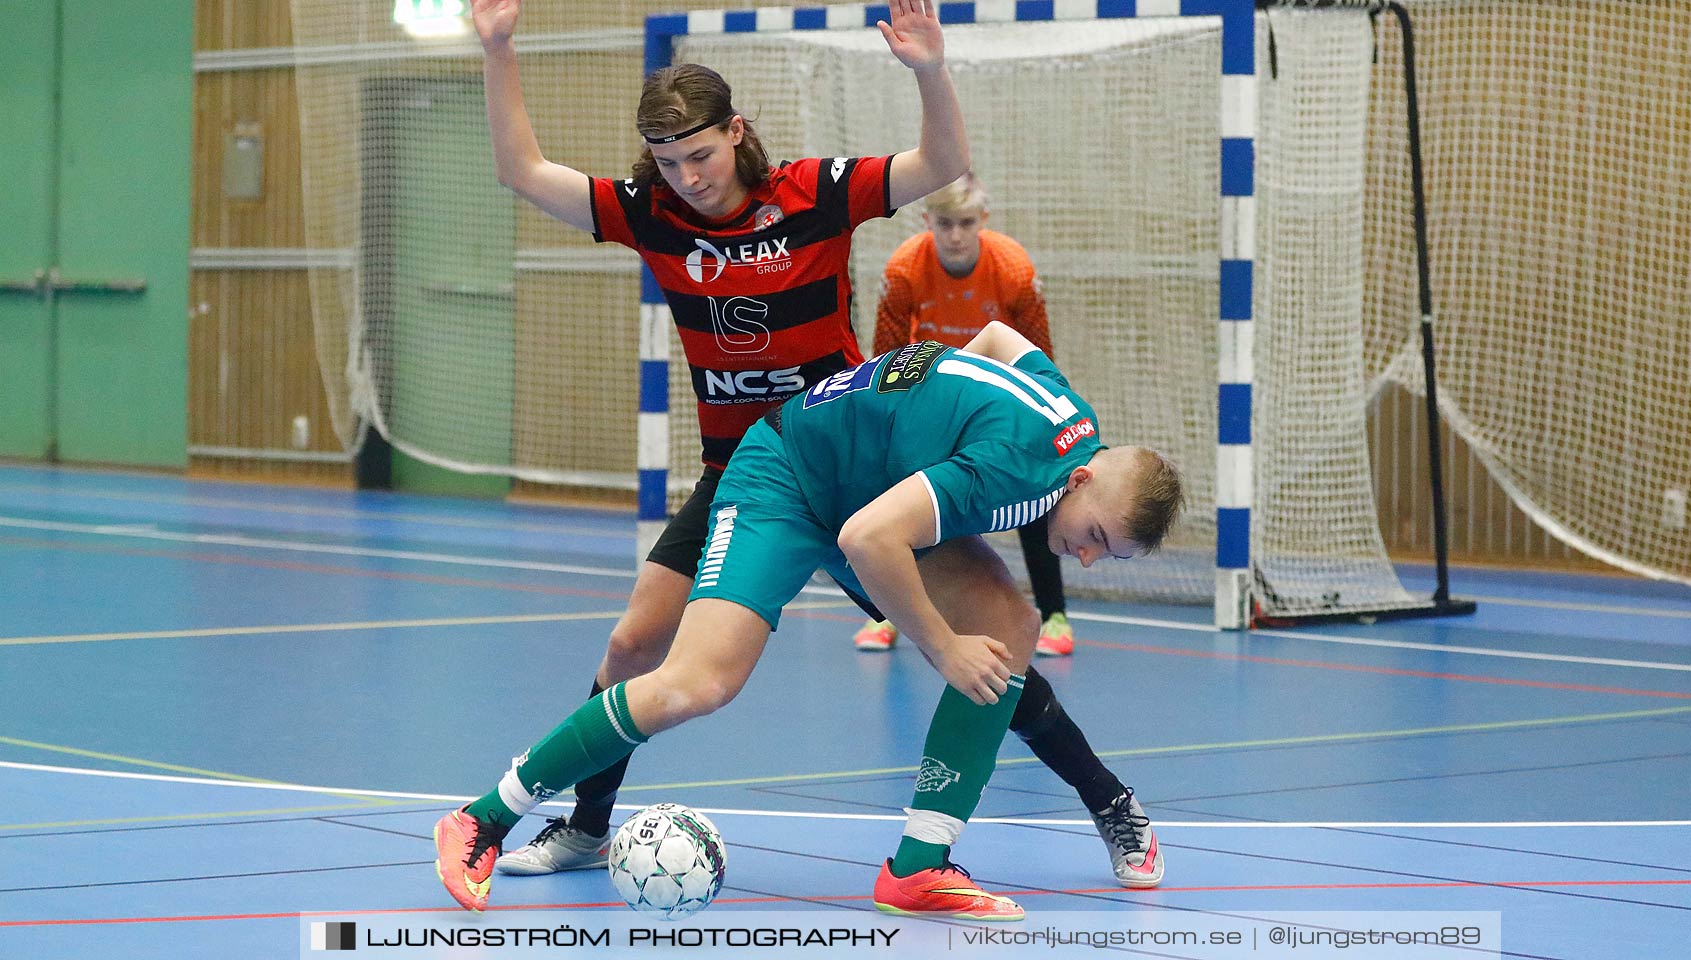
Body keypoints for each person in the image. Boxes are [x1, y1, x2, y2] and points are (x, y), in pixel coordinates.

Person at [459, 0, 1161, 897]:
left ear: (735, 132)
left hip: (854, 459)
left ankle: (1108, 802)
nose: (690, 177)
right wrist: (500, 51)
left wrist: (927, 68)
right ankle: (584, 826)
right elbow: (521, 169)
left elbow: (942, 165)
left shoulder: (814, 194)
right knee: (636, 644)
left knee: (986, 640)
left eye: (700, 155)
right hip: (745, 471)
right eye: (670, 163)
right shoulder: (653, 214)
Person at [433, 322, 1184, 919]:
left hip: (867, 490)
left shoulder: (1069, 419)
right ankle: (482, 820)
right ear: (1081, 477)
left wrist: (918, 406)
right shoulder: (1021, 471)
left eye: (1102, 555)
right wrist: (943, 646)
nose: (1085, 559)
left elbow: (992, 339)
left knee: (1012, 626)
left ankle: (919, 866)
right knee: (695, 683)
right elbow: (868, 539)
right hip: (788, 479)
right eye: (1095, 539)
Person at [853, 174, 1075, 657]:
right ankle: (888, 614)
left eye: (966, 224)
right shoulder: (905, 269)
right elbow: (885, 358)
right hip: (930, 402)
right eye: (946, 223)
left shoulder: (1013, 270)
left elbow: (1041, 358)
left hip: (999, 407)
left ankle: (1055, 614)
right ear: (926, 220)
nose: (955, 235)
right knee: (901, 503)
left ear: (984, 222)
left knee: (1036, 488)